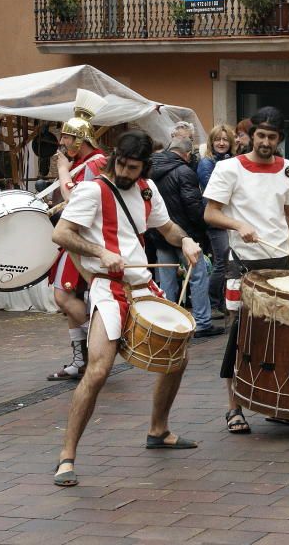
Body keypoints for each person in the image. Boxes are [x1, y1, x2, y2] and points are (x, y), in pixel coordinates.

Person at [52, 131, 202, 487]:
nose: (124, 171)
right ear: (114, 156)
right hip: (108, 288)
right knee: (99, 371)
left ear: (144, 167)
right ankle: (66, 456)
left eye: (132, 167)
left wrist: (186, 241)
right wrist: (99, 252)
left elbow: (166, 228)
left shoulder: (148, 189)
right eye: (120, 163)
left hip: (143, 285)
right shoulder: (92, 191)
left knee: (177, 354)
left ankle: (158, 429)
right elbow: (62, 234)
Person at [203, 106, 289, 434]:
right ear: (250, 135)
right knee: (240, 337)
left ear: (280, 139)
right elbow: (210, 213)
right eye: (260, 135)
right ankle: (234, 408)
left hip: (280, 263)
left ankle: (275, 404)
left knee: (282, 338)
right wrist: (238, 224)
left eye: (272, 137)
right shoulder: (229, 169)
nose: (265, 142)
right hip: (244, 263)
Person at [46, 93, 108, 381]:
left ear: (81, 139)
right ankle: (80, 360)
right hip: (76, 236)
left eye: (68, 138)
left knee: (63, 295)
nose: (64, 143)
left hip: (83, 238)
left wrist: (62, 171)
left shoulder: (95, 163)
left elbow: (77, 199)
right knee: (69, 296)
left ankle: (100, 347)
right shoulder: (87, 162)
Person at [149, 135, 222, 337]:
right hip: (185, 235)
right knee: (198, 276)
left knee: (167, 279)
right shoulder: (184, 171)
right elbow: (193, 206)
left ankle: (168, 323)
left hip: (159, 232)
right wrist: (201, 228)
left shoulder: (150, 170)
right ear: (187, 154)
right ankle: (202, 322)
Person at [196, 124, 235, 317]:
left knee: (226, 261)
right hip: (215, 219)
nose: (221, 143)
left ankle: (220, 301)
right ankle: (213, 302)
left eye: (225, 139)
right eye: (218, 139)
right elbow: (214, 191)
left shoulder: (229, 160)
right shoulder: (207, 163)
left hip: (228, 217)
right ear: (212, 142)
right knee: (221, 261)